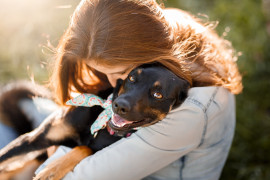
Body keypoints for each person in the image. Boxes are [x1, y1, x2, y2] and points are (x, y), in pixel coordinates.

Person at [6, 0, 244, 179]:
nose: (112, 84)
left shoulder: (186, 110)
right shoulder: (163, 33)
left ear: (147, 53)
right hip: (99, 138)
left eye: (121, 73)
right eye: (100, 71)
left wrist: (55, 145)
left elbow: (73, 177)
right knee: (16, 100)